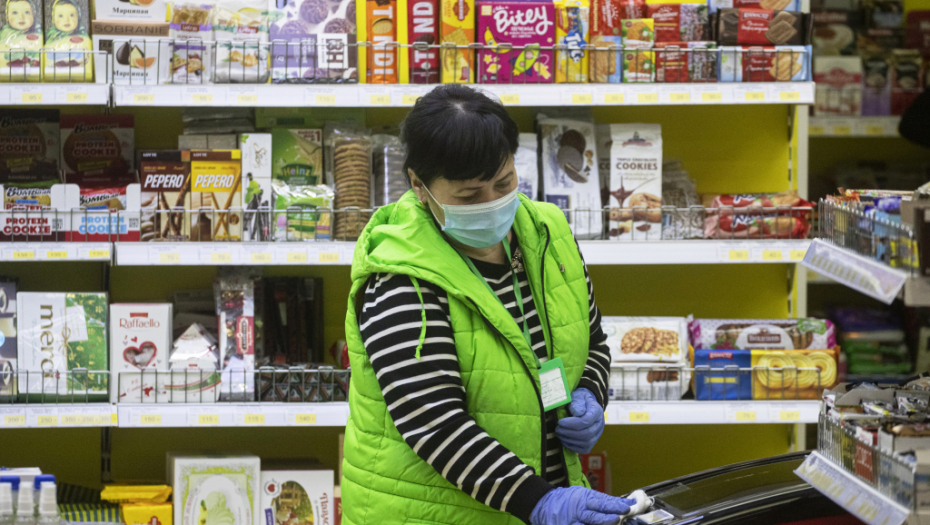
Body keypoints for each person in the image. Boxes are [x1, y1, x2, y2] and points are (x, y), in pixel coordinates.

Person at [343, 84, 630, 525]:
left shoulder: (549, 234)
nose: (494, 203)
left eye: (504, 182)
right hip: (432, 513)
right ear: (420, 185)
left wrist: (592, 389)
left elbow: (591, 340)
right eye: (469, 196)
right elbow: (435, 424)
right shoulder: (399, 274)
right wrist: (539, 501)